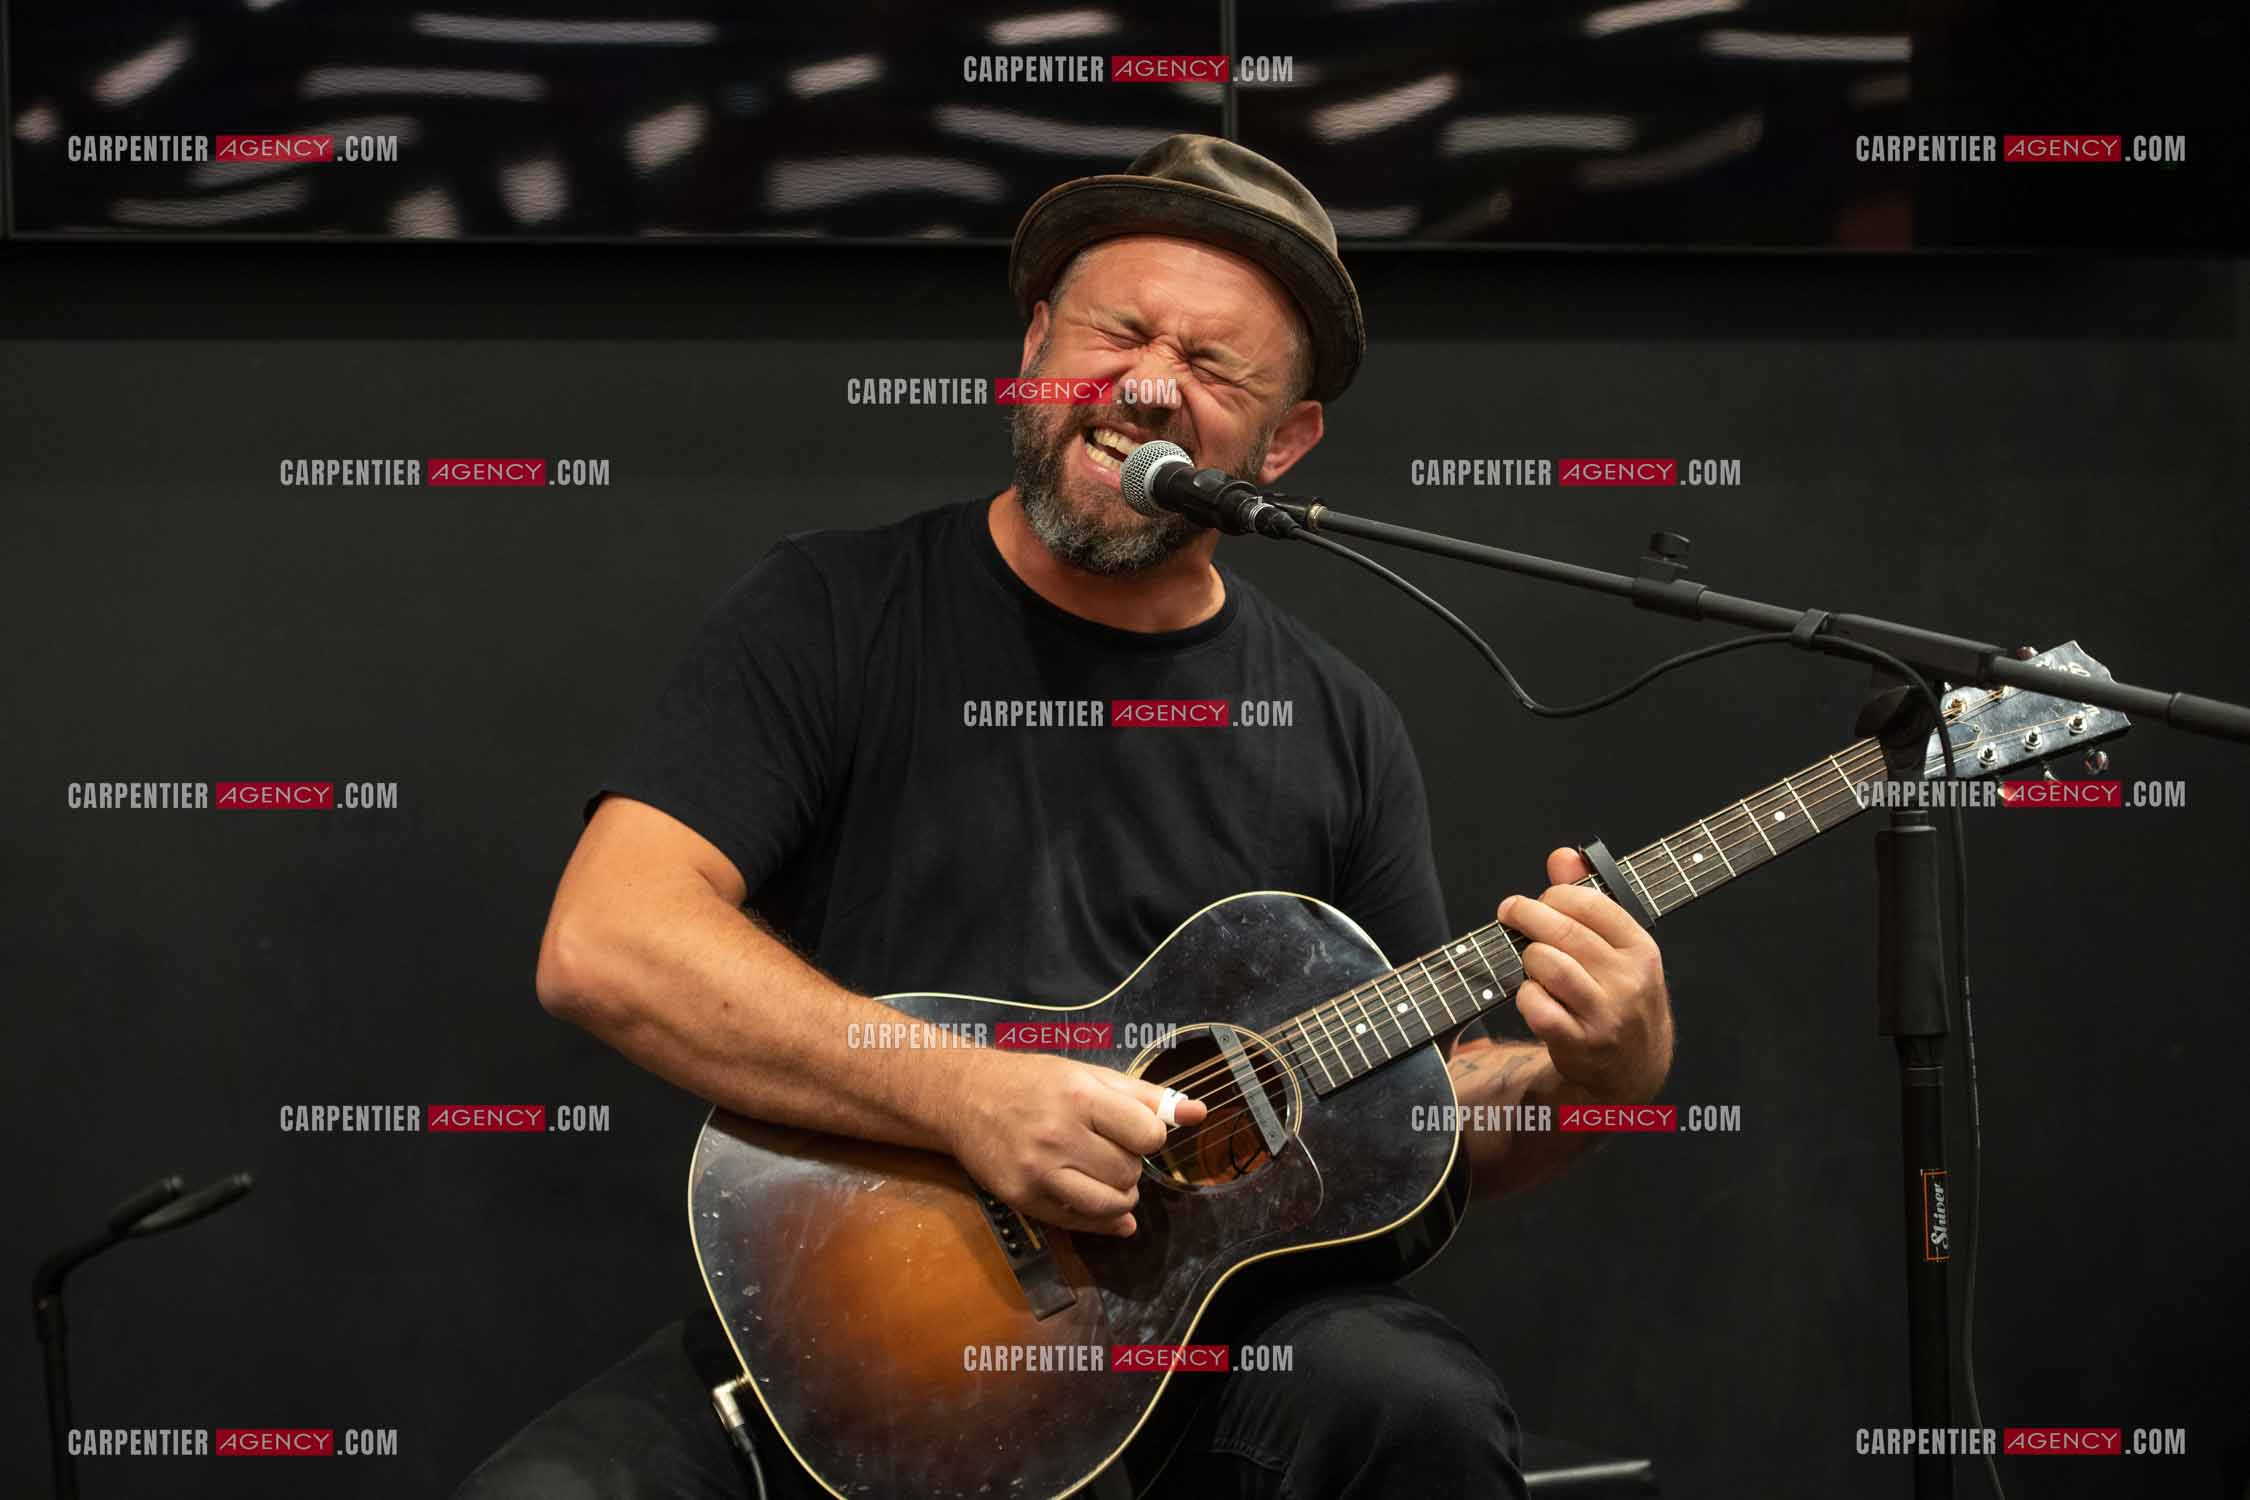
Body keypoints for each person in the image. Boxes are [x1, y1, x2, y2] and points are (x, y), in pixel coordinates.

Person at [455, 134, 1673, 1500]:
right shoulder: (830, 615)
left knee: (1415, 1405)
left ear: (1284, 442)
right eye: (1116, 331)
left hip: (1196, 1357)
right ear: (1035, 343)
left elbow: (1418, 1115)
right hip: (866, 1332)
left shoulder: (1335, 722)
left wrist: (1593, 1082)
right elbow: (606, 942)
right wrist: (971, 1096)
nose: (1148, 385)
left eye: (1212, 369)